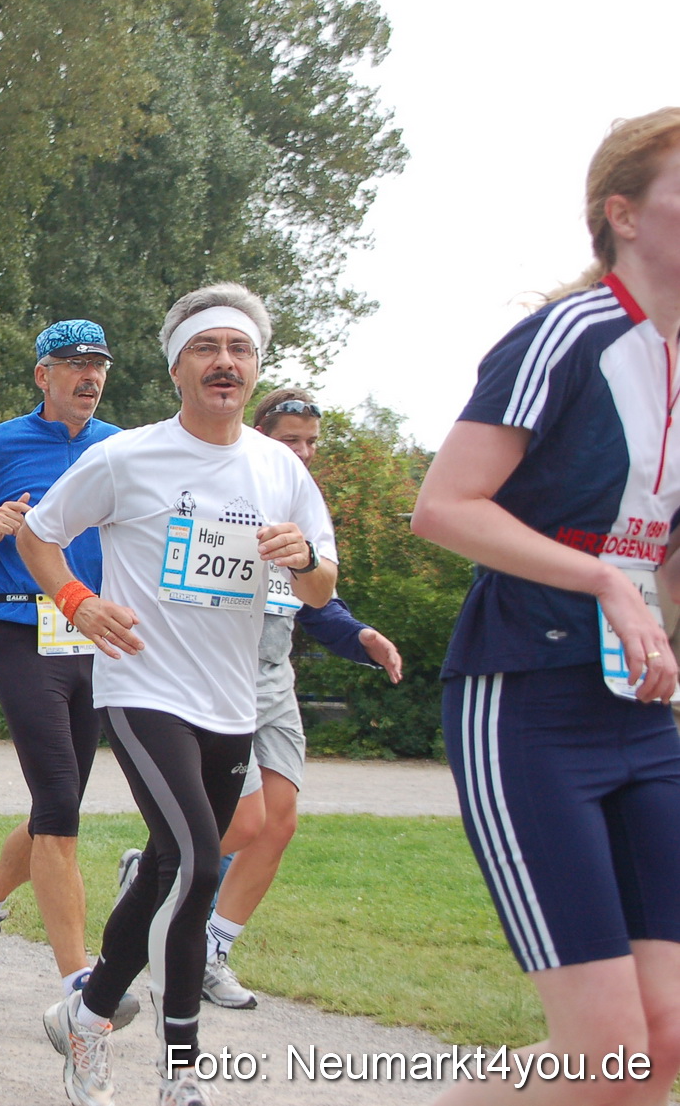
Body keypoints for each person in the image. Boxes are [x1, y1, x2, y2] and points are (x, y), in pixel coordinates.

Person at [410, 109, 680, 1106]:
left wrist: (649, 603)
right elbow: (443, 506)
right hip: (524, 698)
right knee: (605, 1051)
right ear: (624, 213)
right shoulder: (569, 334)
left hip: (642, 717)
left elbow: (660, 549)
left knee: (661, 1044)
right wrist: (605, 580)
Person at [18, 283, 338, 1106]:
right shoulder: (127, 457)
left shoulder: (280, 469)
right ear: (176, 368)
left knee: (166, 870)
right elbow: (38, 533)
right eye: (206, 348)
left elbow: (320, 586)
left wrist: (304, 557)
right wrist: (78, 602)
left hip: (231, 702)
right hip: (142, 685)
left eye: (239, 350)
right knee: (199, 861)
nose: (224, 362)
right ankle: (182, 1074)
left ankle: (87, 1018)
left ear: (255, 369)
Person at [129, 387, 406, 1013]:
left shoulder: (299, 501)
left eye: (311, 442)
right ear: (261, 435)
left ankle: (210, 949)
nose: (304, 453)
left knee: (278, 824)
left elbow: (317, 597)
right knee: (244, 822)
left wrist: (360, 635)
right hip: (216, 672)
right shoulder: (225, 486)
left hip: (274, 679)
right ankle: (161, 868)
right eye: (291, 441)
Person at [0, 318, 125, 1023]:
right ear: (43, 374)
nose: (89, 376)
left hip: (96, 640)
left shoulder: (120, 449)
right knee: (61, 807)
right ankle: (81, 988)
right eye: (73, 364)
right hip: (20, 631)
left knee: (51, 811)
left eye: (98, 365)